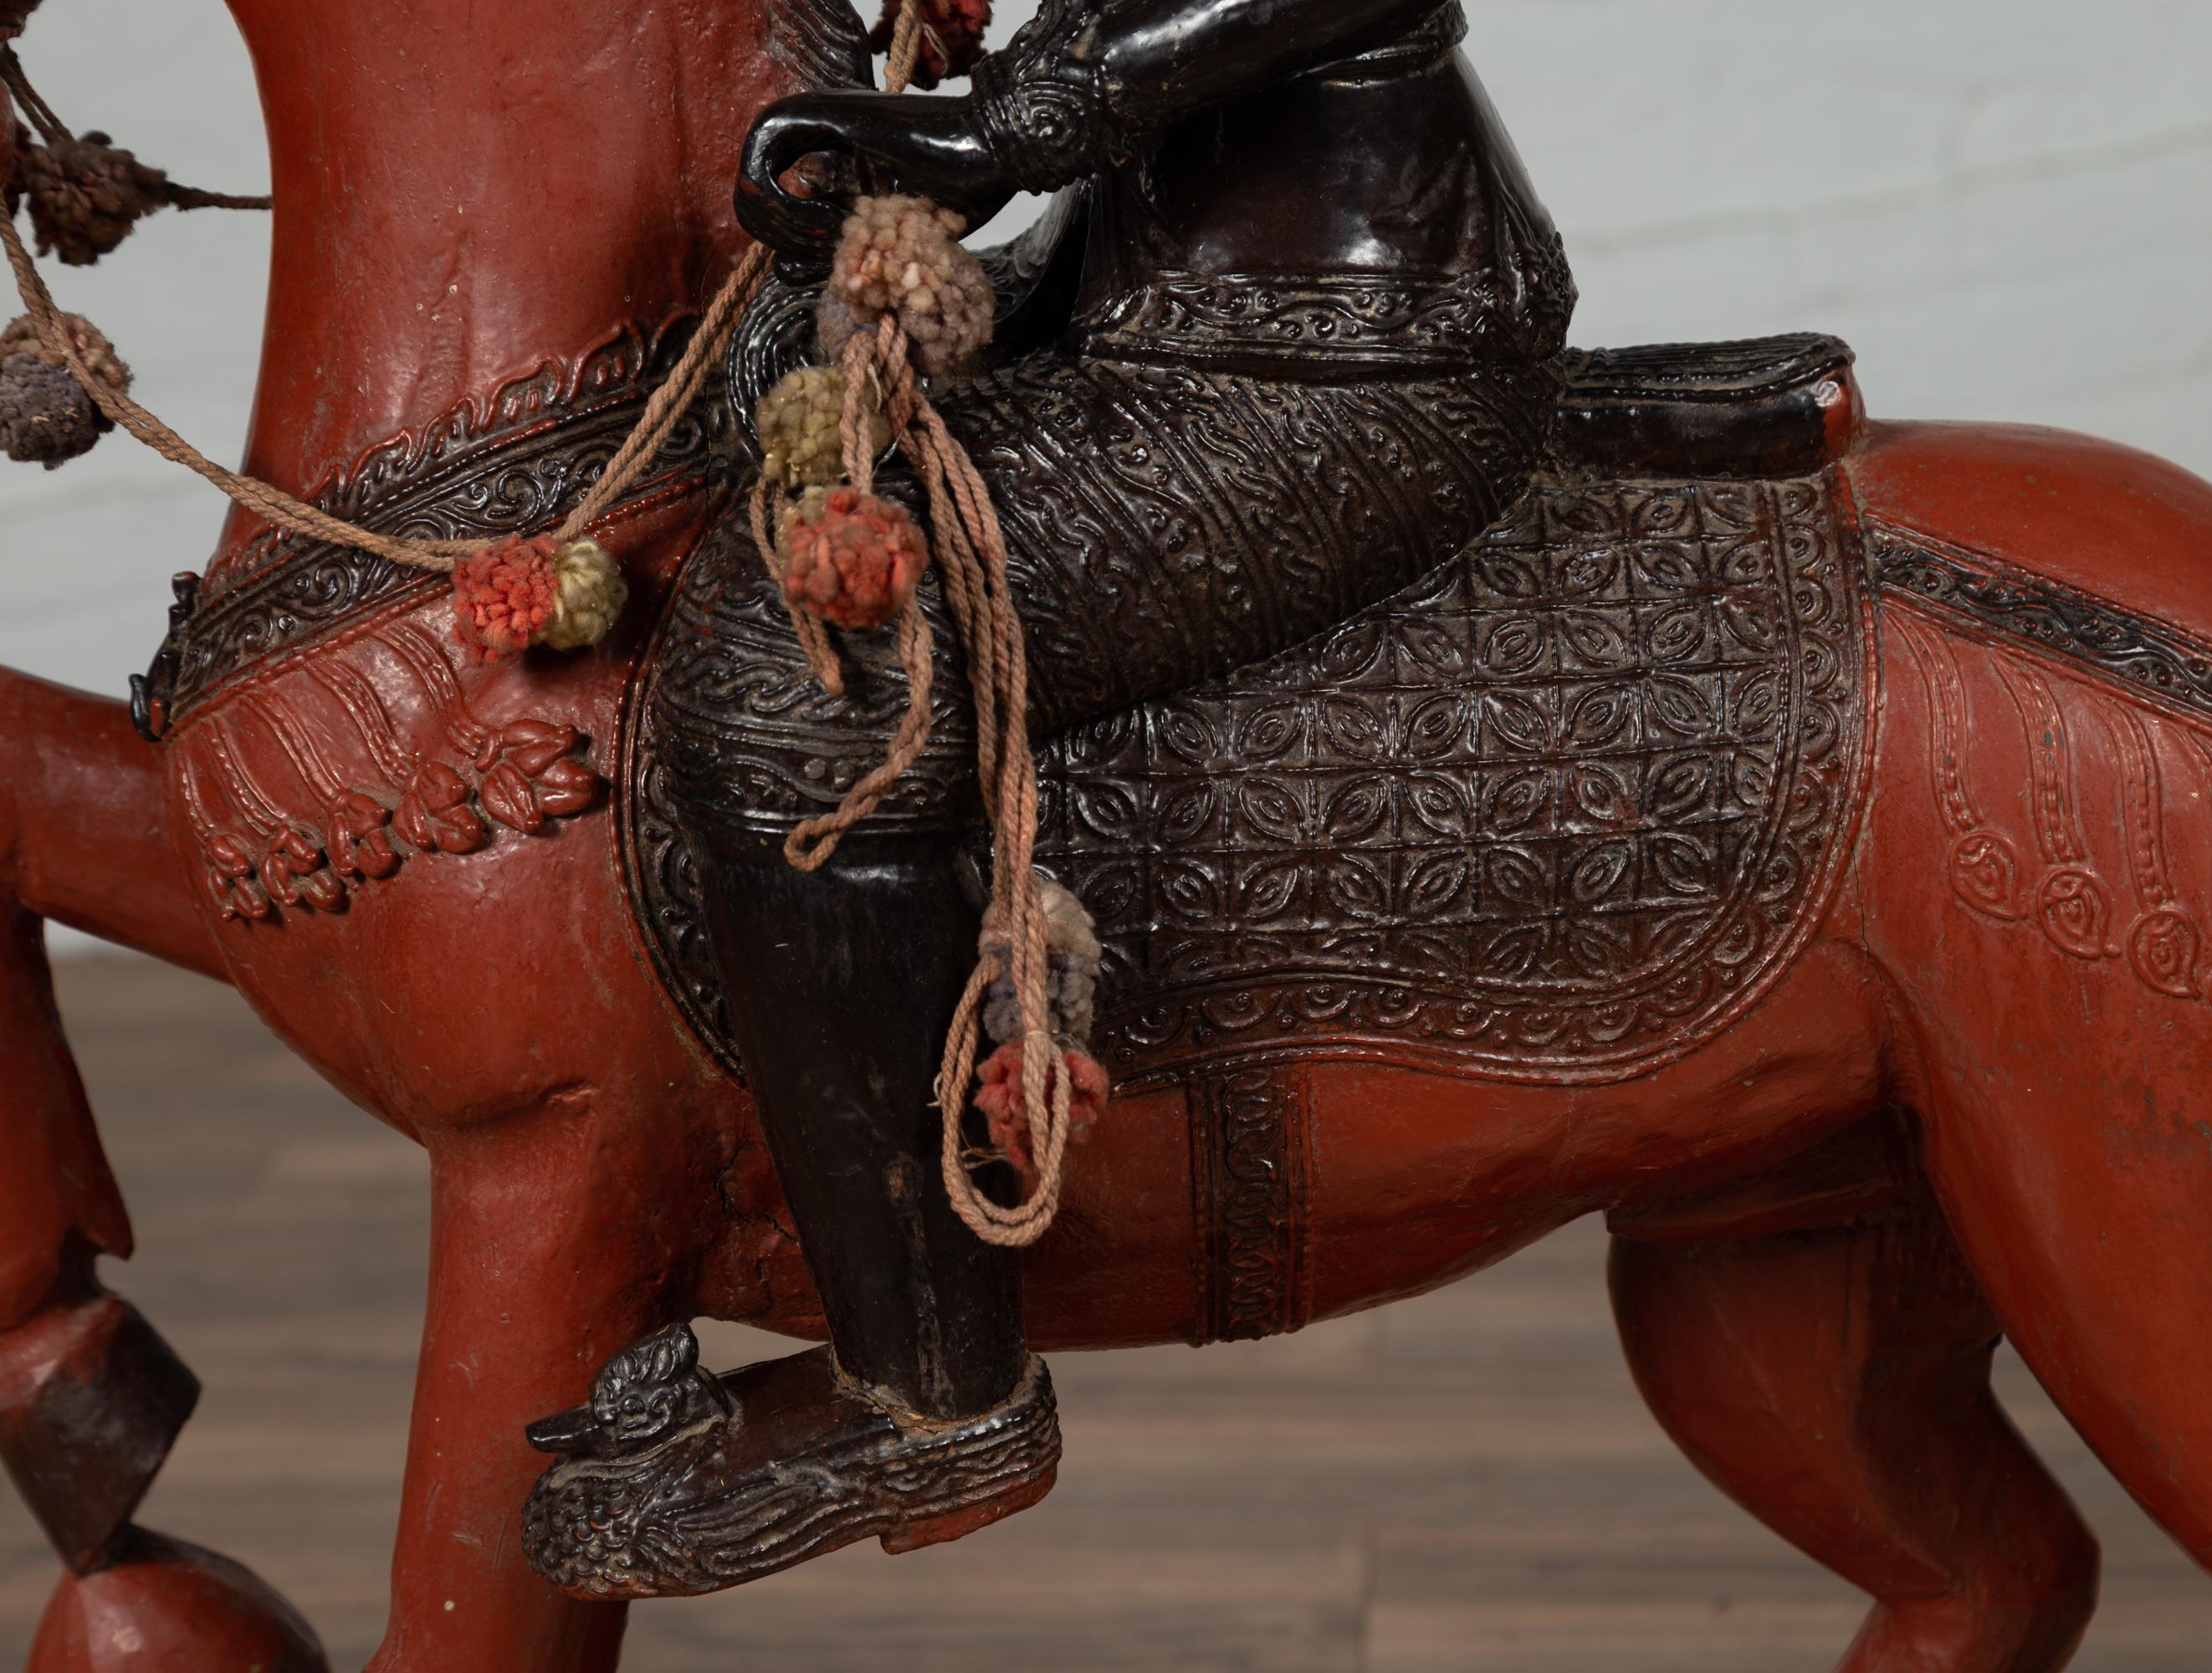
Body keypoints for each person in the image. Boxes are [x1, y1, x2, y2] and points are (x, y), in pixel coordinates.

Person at [532, 0, 1576, 1579]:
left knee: (794, 680)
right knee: (757, 385)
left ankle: (941, 1403)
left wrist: (994, 129)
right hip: (1162, 283)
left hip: (1326, 346)